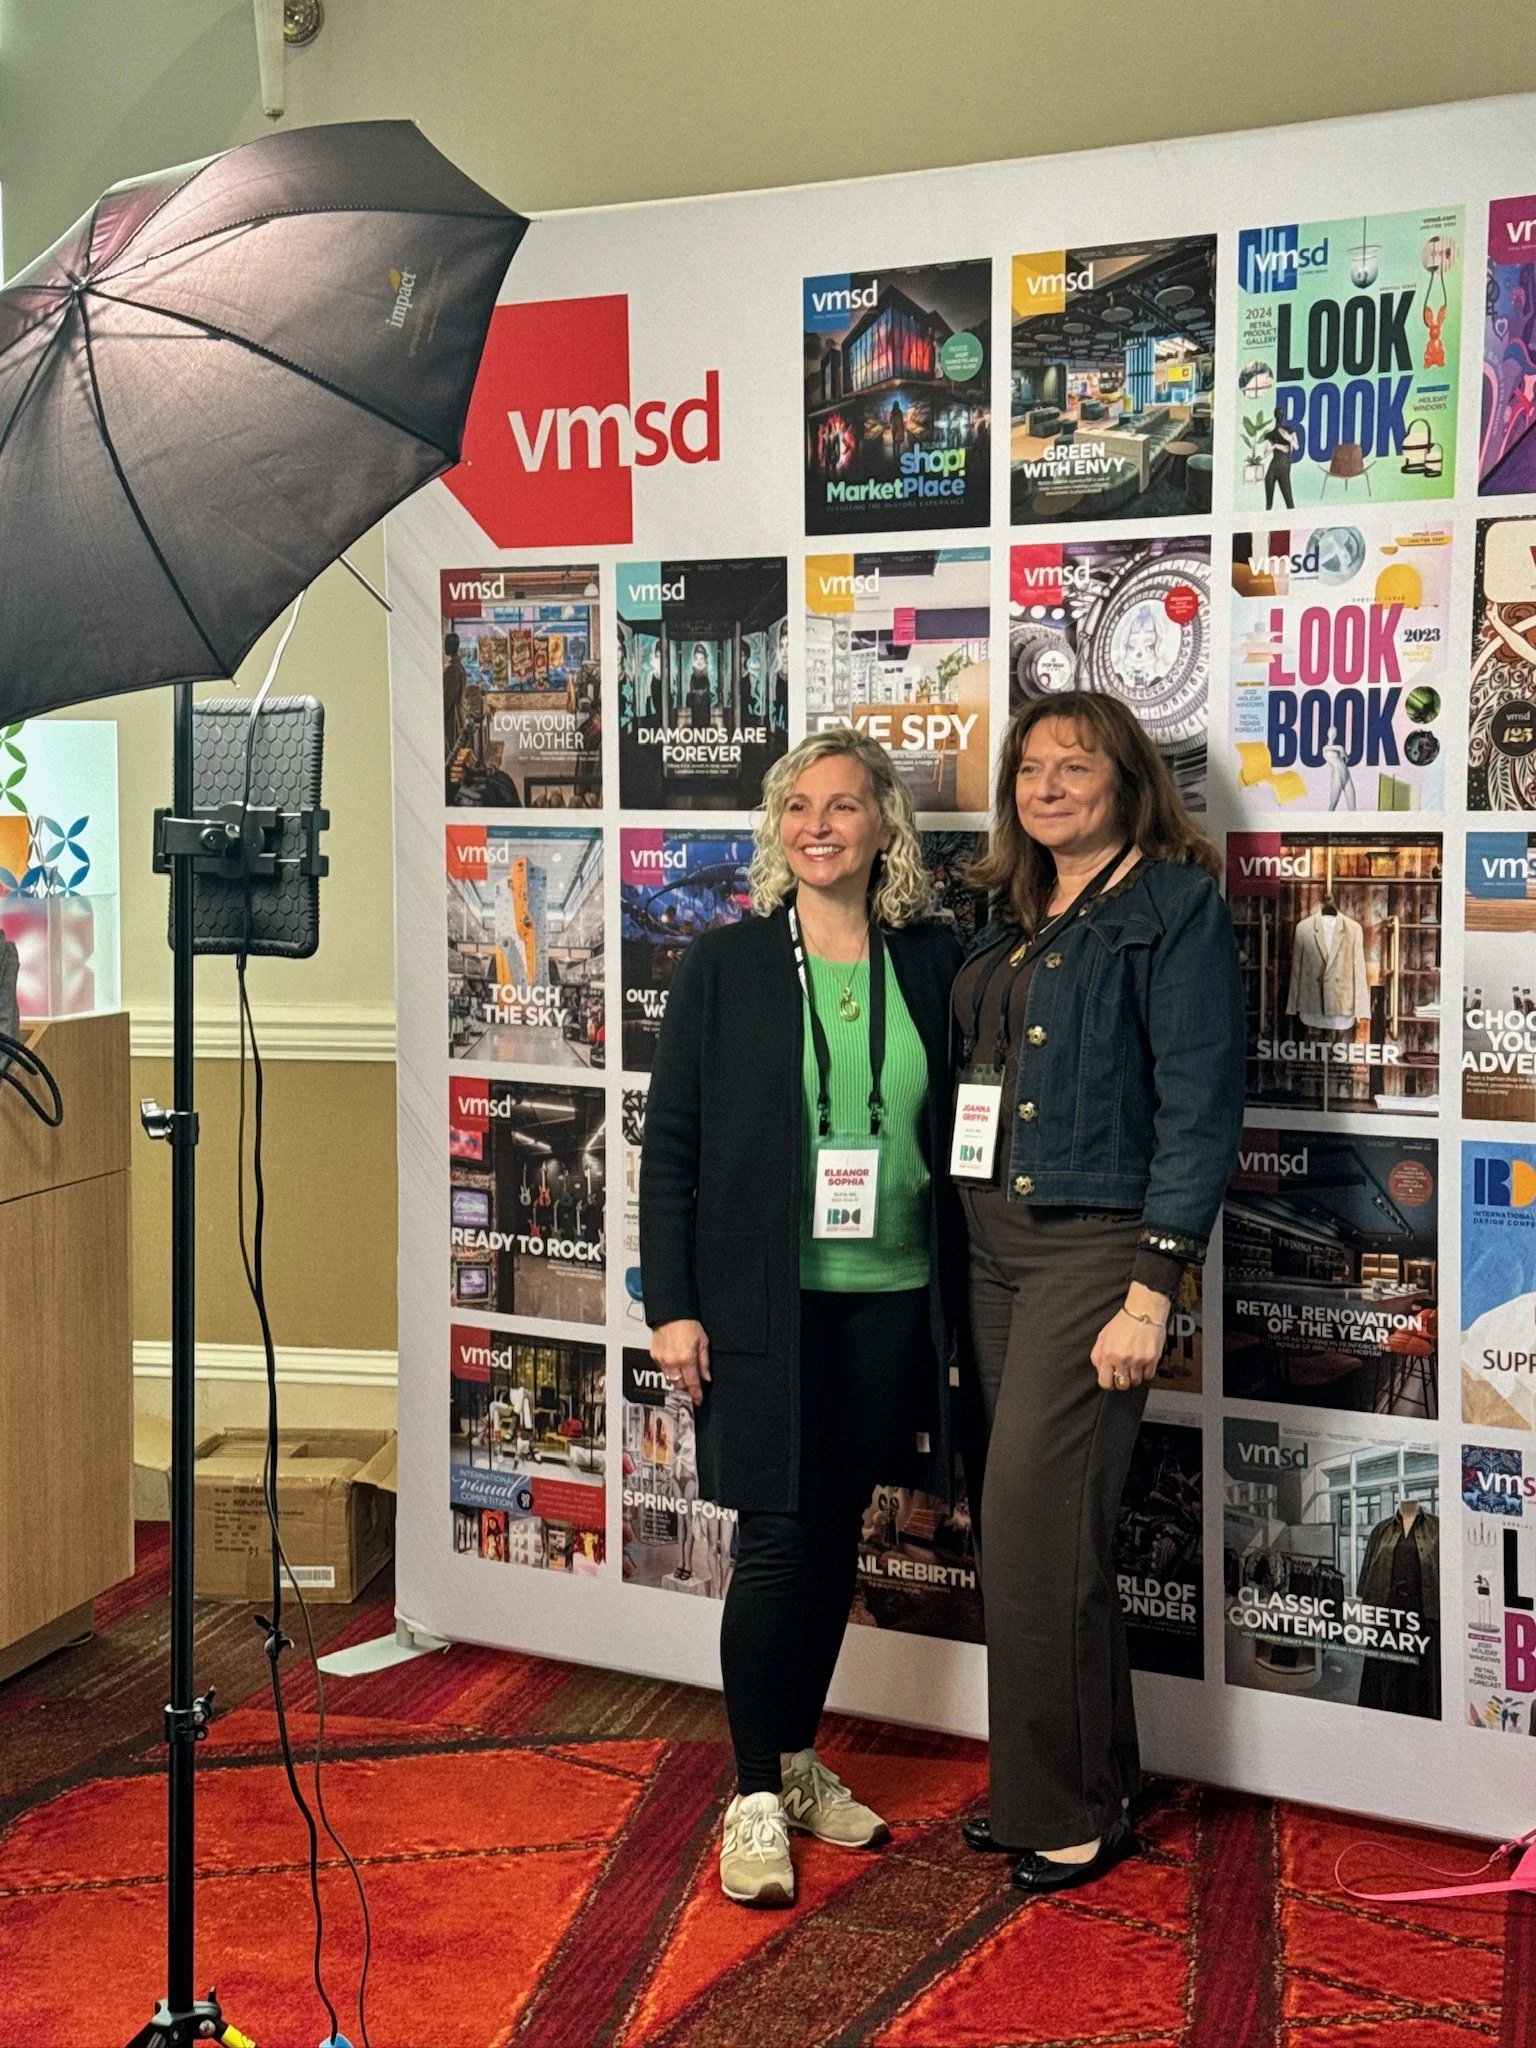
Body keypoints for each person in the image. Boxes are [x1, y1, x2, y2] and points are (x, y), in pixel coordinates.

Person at [640, 728, 964, 1909]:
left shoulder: (931, 959)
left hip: (893, 1295)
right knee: (779, 1539)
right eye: (797, 806)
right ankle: (750, 1795)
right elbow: (671, 1147)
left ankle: (793, 1756)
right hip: (763, 1304)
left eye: (842, 804)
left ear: (884, 826)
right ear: (780, 830)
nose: (818, 825)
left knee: (835, 1540)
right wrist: (672, 1305)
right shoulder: (725, 964)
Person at [952, 692, 1243, 1894]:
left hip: (1095, 1249)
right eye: (1030, 768)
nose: (1048, 785)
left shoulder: (1174, 905)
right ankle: (1090, 1774)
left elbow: (1200, 1104)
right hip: (988, 1244)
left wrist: (1151, 1287)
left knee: (1035, 1527)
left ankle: (1067, 1809)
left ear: (1127, 779)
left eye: (1074, 765)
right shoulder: (1005, 910)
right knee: (1039, 1531)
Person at [1263, 411, 1298, 509]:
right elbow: (1264, 454)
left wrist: (1289, 439)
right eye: (1279, 414)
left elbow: (1296, 447)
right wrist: (1275, 446)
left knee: (1289, 503)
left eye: (1281, 414)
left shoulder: (1289, 430)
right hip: (1273, 469)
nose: (1280, 416)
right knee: (1268, 505)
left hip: (1284, 468)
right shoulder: (1270, 434)